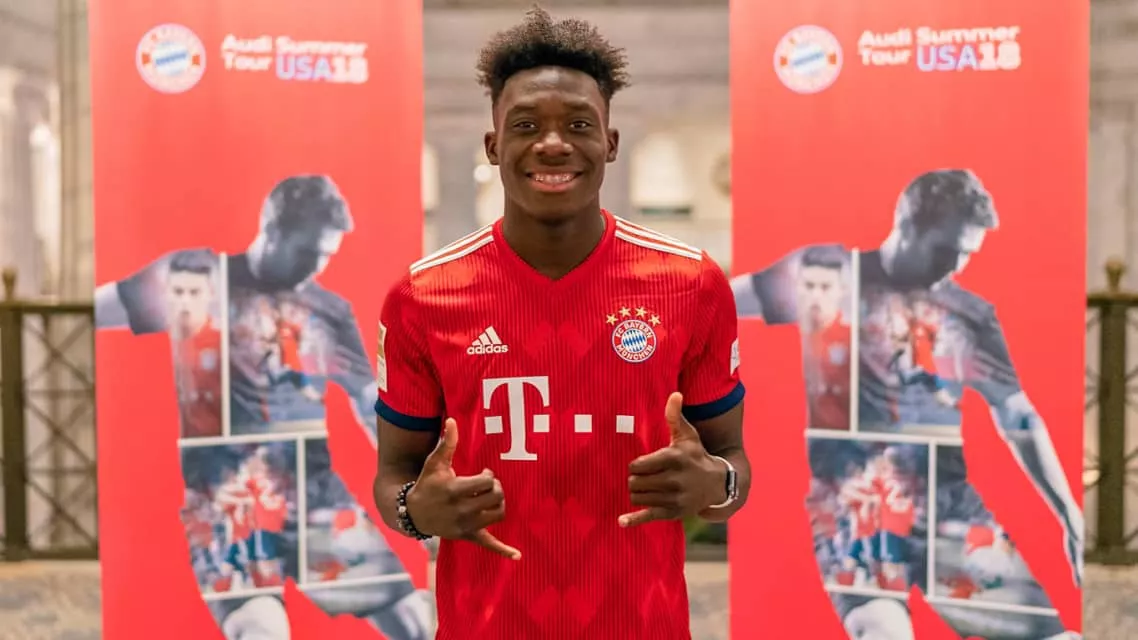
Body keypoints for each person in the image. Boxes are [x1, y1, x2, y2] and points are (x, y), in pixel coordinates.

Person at [373, 7, 749, 639]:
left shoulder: (691, 283)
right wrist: (415, 511)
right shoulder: (423, 296)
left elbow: (731, 462)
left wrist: (719, 483)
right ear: (493, 146)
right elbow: (394, 475)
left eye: (578, 124)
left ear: (611, 143)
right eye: (525, 125)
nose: (553, 143)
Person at [732, 169, 1083, 637]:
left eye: (966, 254)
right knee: (884, 633)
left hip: (950, 509)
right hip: (858, 508)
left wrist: (1068, 513)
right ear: (907, 223)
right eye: (946, 250)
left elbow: (1017, 414)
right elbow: (718, 302)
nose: (955, 266)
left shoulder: (969, 315)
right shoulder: (828, 276)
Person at [93, 174, 376, 434]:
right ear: (272, 231)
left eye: (327, 255)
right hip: (221, 467)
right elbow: (89, 312)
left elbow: (369, 401)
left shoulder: (332, 311)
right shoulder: (196, 277)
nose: (316, 267)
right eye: (306, 252)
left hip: (307, 470)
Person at [164, 250, 223, 437]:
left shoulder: (224, 343)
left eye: (194, 292)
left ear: (211, 293)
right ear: (166, 292)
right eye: (178, 292)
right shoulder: (154, 346)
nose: (185, 302)